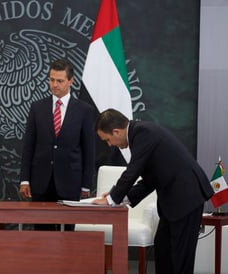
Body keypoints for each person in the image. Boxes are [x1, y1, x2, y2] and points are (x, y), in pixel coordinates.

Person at [92, 108, 214, 274]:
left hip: (186, 198)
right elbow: (150, 180)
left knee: (180, 260)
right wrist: (121, 198)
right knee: (163, 251)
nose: (109, 145)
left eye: (107, 140)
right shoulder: (139, 135)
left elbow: (132, 171)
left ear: (116, 131)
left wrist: (112, 198)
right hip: (174, 203)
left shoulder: (143, 133)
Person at [19, 59, 96, 231]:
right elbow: (28, 146)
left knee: (68, 233)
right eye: (51, 79)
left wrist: (86, 184)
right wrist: (25, 179)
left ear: (71, 81)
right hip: (40, 182)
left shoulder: (84, 110)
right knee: (41, 232)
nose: (55, 84)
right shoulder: (37, 107)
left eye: (60, 80)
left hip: (71, 182)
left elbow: (89, 150)